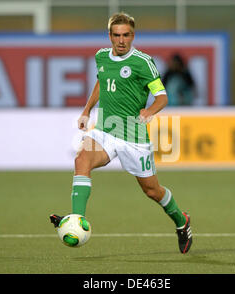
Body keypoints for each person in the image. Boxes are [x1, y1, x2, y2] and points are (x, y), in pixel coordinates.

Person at [49, 12, 192, 254]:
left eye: (126, 35)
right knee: (81, 159)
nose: (121, 40)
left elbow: (162, 96)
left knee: (152, 191)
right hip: (105, 129)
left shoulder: (143, 62)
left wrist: (149, 111)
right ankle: (76, 219)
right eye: (116, 35)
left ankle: (181, 221)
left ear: (133, 36)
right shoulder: (101, 56)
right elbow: (102, 82)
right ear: (110, 36)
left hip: (133, 136)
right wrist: (86, 110)